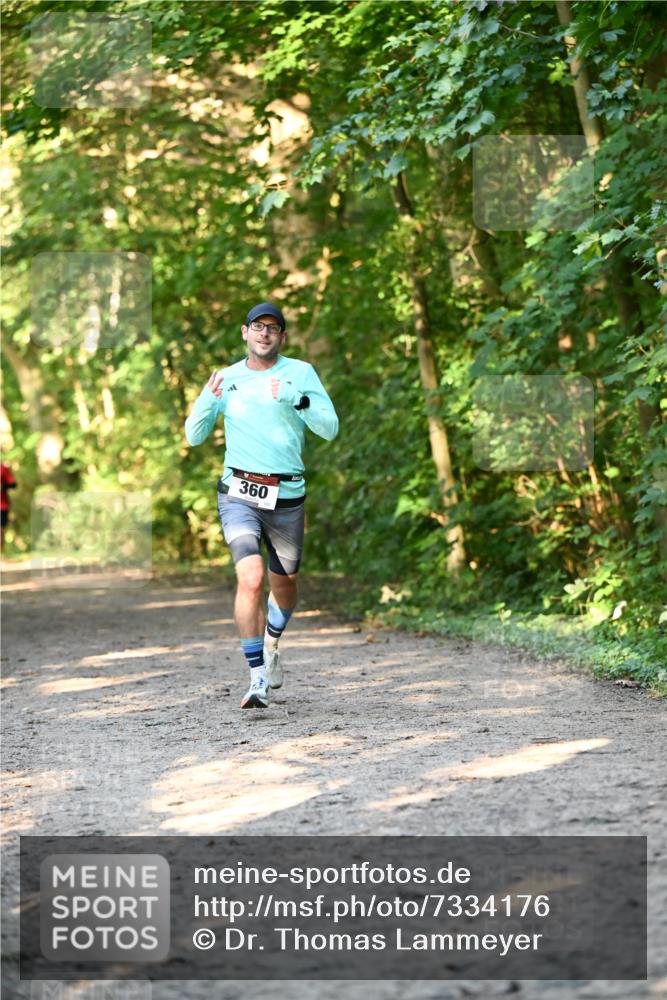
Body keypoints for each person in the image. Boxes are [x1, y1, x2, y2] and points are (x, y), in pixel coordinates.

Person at [184, 302, 339, 709]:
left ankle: (271, 644)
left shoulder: (300, 373)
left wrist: (298, 401)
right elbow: (194, 436)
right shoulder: (226, 378)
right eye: (258, 326)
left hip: (287, 495)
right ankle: (256, 677)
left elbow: (330, 429)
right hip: (238, 491)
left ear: (282, 336)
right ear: (245, 332)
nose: (265, 333)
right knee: (250, 577)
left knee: (285, 587)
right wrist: (206, 401)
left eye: (273, 328)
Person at [1, 462, 17, 552]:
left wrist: (3, 486)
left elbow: (13, 484)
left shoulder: (3, 468)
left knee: (1, 528)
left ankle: (1, 551)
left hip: (2, 505)